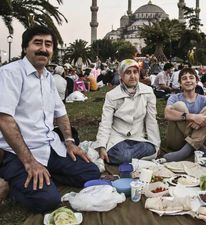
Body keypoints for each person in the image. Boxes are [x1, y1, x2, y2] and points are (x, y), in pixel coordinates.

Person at [0, 25, 100, 213]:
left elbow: (60, 113)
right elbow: (4, 119)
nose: (43, 49)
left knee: (91, 173)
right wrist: (29, 162)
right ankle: (11, 182)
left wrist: (70, 142)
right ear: (25, 48)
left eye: (48, 44)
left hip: (49, 146)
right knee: (47, 201)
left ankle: (46, 175)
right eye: (37, 43)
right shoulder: (10, 73)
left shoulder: (48, 78)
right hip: (20, 153)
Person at [95, 59, 161, 165]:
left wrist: (156, 145)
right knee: (122, 154)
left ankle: (128, 159)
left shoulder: (148, 91)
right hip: (118, 138)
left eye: (135, 72)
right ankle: (137, 160)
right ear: (121, 75)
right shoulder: (112, 95)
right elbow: (105, 122)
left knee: (151, 149)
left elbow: (151, 120)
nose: (132, 76)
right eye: (128, 72)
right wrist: (102, 146)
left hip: (138, 138)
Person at [159, 68, 206, 162]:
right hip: (177, 140)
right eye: (184, 78)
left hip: (200, 140)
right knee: (179, 105)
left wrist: (203, 118)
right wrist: (192, 117)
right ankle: (199, 149)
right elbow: (167, 113)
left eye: (191, 77)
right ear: (180, 83)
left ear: (196, 81)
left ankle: (187, 150)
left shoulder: (204, 99)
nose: (188, 80)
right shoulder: (174, 97)